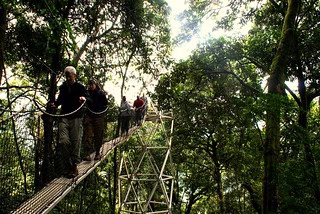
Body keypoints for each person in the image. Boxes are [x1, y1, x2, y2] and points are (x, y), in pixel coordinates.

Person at [50, 66, 90, 178]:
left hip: (76, 117)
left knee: (75, 141)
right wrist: (55, 104)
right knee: (63, 141)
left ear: (75, 76)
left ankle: (74, 167)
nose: (67, 77)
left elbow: (88, 97)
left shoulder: (80, 87)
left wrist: (83, 98)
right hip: (64, 117)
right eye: (66, 75)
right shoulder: (63, 87)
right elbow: (60, 99)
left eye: (69, 75)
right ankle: (67, 166)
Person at [83, 79, 108, 161]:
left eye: (92, 84)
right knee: (88, 134)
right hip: (89, 116)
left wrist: (101, 110)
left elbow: (105, 103)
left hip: (99, 116)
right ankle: (87, 154)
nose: (90, 86)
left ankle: (97, 153)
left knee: (98, 135)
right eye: (89, 84)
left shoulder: (101, 93)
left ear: (95, 85)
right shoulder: (87, 93)